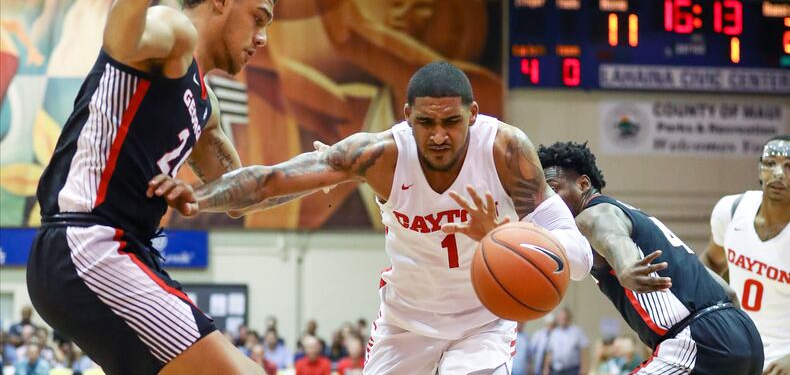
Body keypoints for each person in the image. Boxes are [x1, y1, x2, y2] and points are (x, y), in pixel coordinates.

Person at [150, 61, 593, 374]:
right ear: (407, 117)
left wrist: (500, 234)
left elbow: (578, 257)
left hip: (482, 322)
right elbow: (269, 181)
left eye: (452, 122)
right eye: (426, 123)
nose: (439, 135)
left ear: (473, 116)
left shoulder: (506, 151)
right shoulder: (378, 155)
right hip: (406, 320)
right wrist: (196, 195)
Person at [26, 0, 283, 373]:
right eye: (258, 19)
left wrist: (338, 169)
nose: (261, 38)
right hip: (89, 243)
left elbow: (245, 193)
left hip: (114, 252)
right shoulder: (174, 34)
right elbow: (125, 36)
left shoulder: (206, 107)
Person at [447, 141, 765, 374]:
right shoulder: (636, 215)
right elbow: (729, 291)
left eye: (552, 189)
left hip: (697, 341)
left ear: (584, 184)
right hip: (742, 334)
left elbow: (612, 238)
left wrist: (625, 267)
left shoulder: (592, 215)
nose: (546, 202)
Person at [701, 135, 790, 373]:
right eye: (770, 163)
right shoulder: (732, 209)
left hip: (784, 358)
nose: (779, 173)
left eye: (789, 165)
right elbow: (711, 261)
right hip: (736, 348)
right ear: (760, 170)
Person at [542, 307, 588, 375]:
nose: (563, 320)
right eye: (561, 318)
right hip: (556, 370)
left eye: (564, 318)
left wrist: (584, 368)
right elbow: (549, 352)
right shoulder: (554, 333)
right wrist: (546, 368)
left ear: (569, 318)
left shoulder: (577, 331)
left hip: (572, 370)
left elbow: (584, 350)